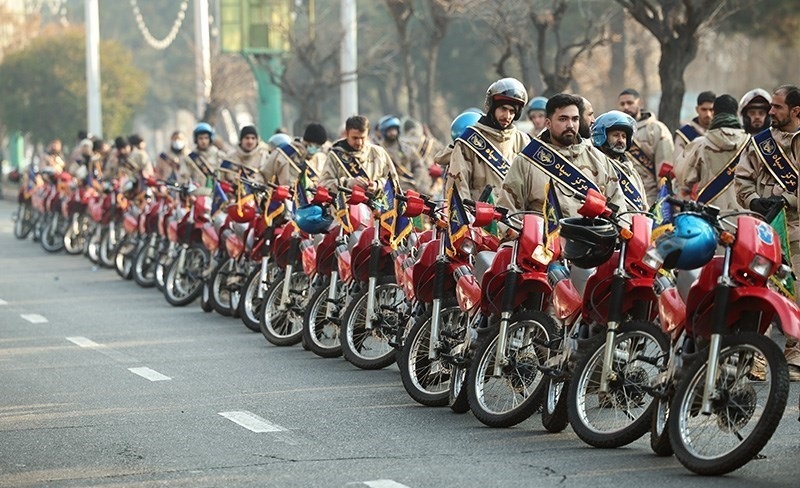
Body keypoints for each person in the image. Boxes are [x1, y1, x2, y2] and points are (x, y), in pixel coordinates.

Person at [734, 85, 800, 380]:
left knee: (796, 295)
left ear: (796, 112)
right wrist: (753, 201)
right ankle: (755, 358)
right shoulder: (759, 143)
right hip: (763, 230)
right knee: (759, 295)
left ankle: (795, 355)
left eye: (777, 107)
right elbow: (742, 181)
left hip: (798, 231)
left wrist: (788, 199)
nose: (770, 112)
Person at [500, 93, 625, 217]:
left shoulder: (598, 159)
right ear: (548, 123)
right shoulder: (527, 161)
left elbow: (618, 209)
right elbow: (509, 211)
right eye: (563, 119)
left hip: (591, 234)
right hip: (545, 235)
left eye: (575, 119)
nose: (570, 125)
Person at [446, 77, 530, 202]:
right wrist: (467, 216)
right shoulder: (469, 140)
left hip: (515, 219)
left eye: (512, 111)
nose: (507, 116)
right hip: (479, 217)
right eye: (503, 109)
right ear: (492, 107)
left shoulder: (523, 141)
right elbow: (458, 186)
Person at [675, 94, 748, 213]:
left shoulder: (700, 144)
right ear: (736, 114)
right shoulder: (750, 145)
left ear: (714, 113)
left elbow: (682, 176)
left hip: (709, 218)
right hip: (746, 219)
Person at [618, 88, 675, 204]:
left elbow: (665, 165)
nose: (626, 107)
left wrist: (663, 195)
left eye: (630, 103)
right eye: (622, 104)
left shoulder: (657, 129)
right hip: (621, 195)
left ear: (640, 103)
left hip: (650, 196)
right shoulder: (614, 131)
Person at [319, 115, 398, 193]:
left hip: (377, 204)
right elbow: (323, 185)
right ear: (347, 134)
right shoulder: (335, 155)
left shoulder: (379, 153)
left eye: (363, 138)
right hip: (346, 204)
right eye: (355, 138)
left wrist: (377, 185)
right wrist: (347, 183)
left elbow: (394, 182)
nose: (359, 142)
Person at [590, 110, 648, 211]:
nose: (621, 140)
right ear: (601, 136)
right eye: (616, 135)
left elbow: (643, 205)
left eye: (624, 136)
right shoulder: (596, 164)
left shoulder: (631, 171)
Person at [261, 122, 328, 186]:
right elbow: (264, 175)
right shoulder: (283, 153)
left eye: (319, 147)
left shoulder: (316, 159)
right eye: (316, 146)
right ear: (308, 142)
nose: (317, 149)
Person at [377, 115, 430, 194]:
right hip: (386, 189)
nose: (393, 133)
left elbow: (418, 165)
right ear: (384, 132)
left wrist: (416, 182)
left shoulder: (406, 147)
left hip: (408, 189)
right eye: (390, 131)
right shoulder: (378, 149)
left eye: (394, 130)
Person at [673, 91, 716, 162]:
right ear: (697, 109)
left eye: (711, 110)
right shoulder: (684, 135)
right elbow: (678, 164)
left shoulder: (721, 133)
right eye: (704, 109)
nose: (708, 114)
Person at [178, 122, 222, 187]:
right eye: (200, 138)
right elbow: (184, 178)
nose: (203, 141)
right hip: (198, 194)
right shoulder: (190, 158)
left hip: (218, 193)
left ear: (210, 139)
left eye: (206, 138)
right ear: (196, 139)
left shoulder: (219, 156)